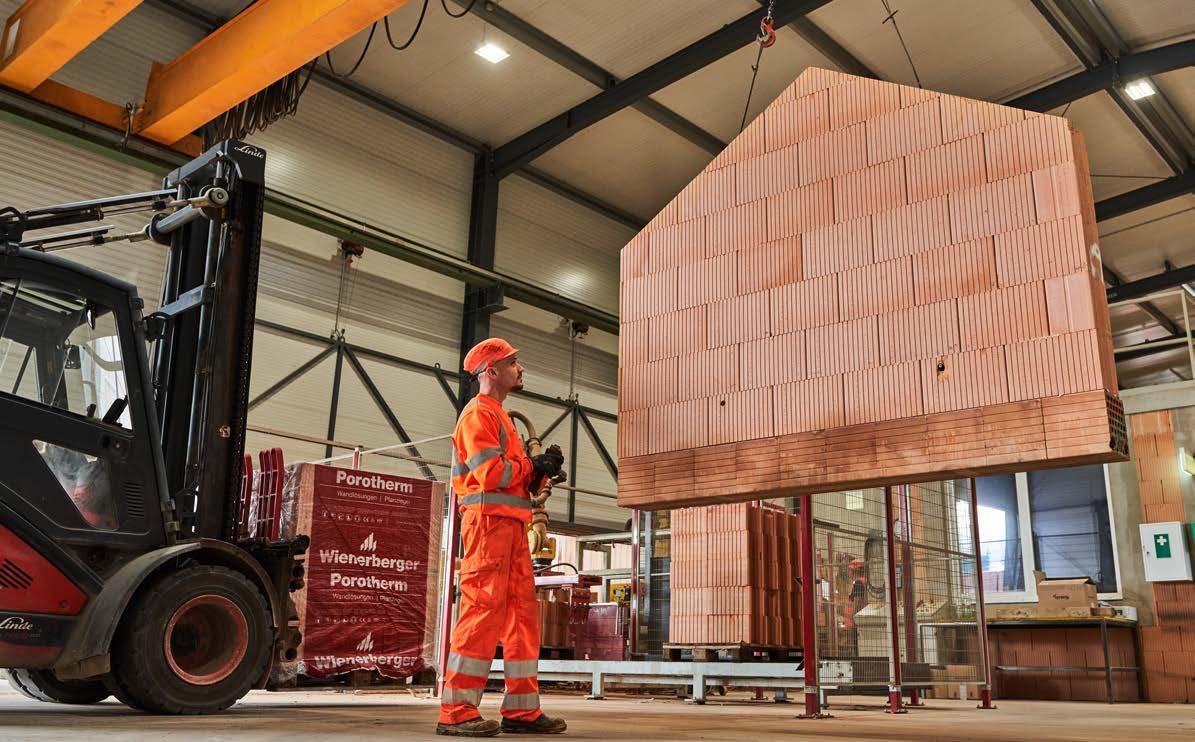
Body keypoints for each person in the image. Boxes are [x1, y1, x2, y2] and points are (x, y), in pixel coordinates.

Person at [437, 337, 568, 737]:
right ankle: (456, 712)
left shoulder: (500, 418)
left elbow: (514, 478)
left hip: (510, 526)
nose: (520, 368)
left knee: (522, 618)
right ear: (491, 371)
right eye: (513, 363)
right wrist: (532, 466)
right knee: (481, 612)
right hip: (487, 526)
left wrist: (542, 470)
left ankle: (522, 711)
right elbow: (492, 474)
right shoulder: (478, 415)